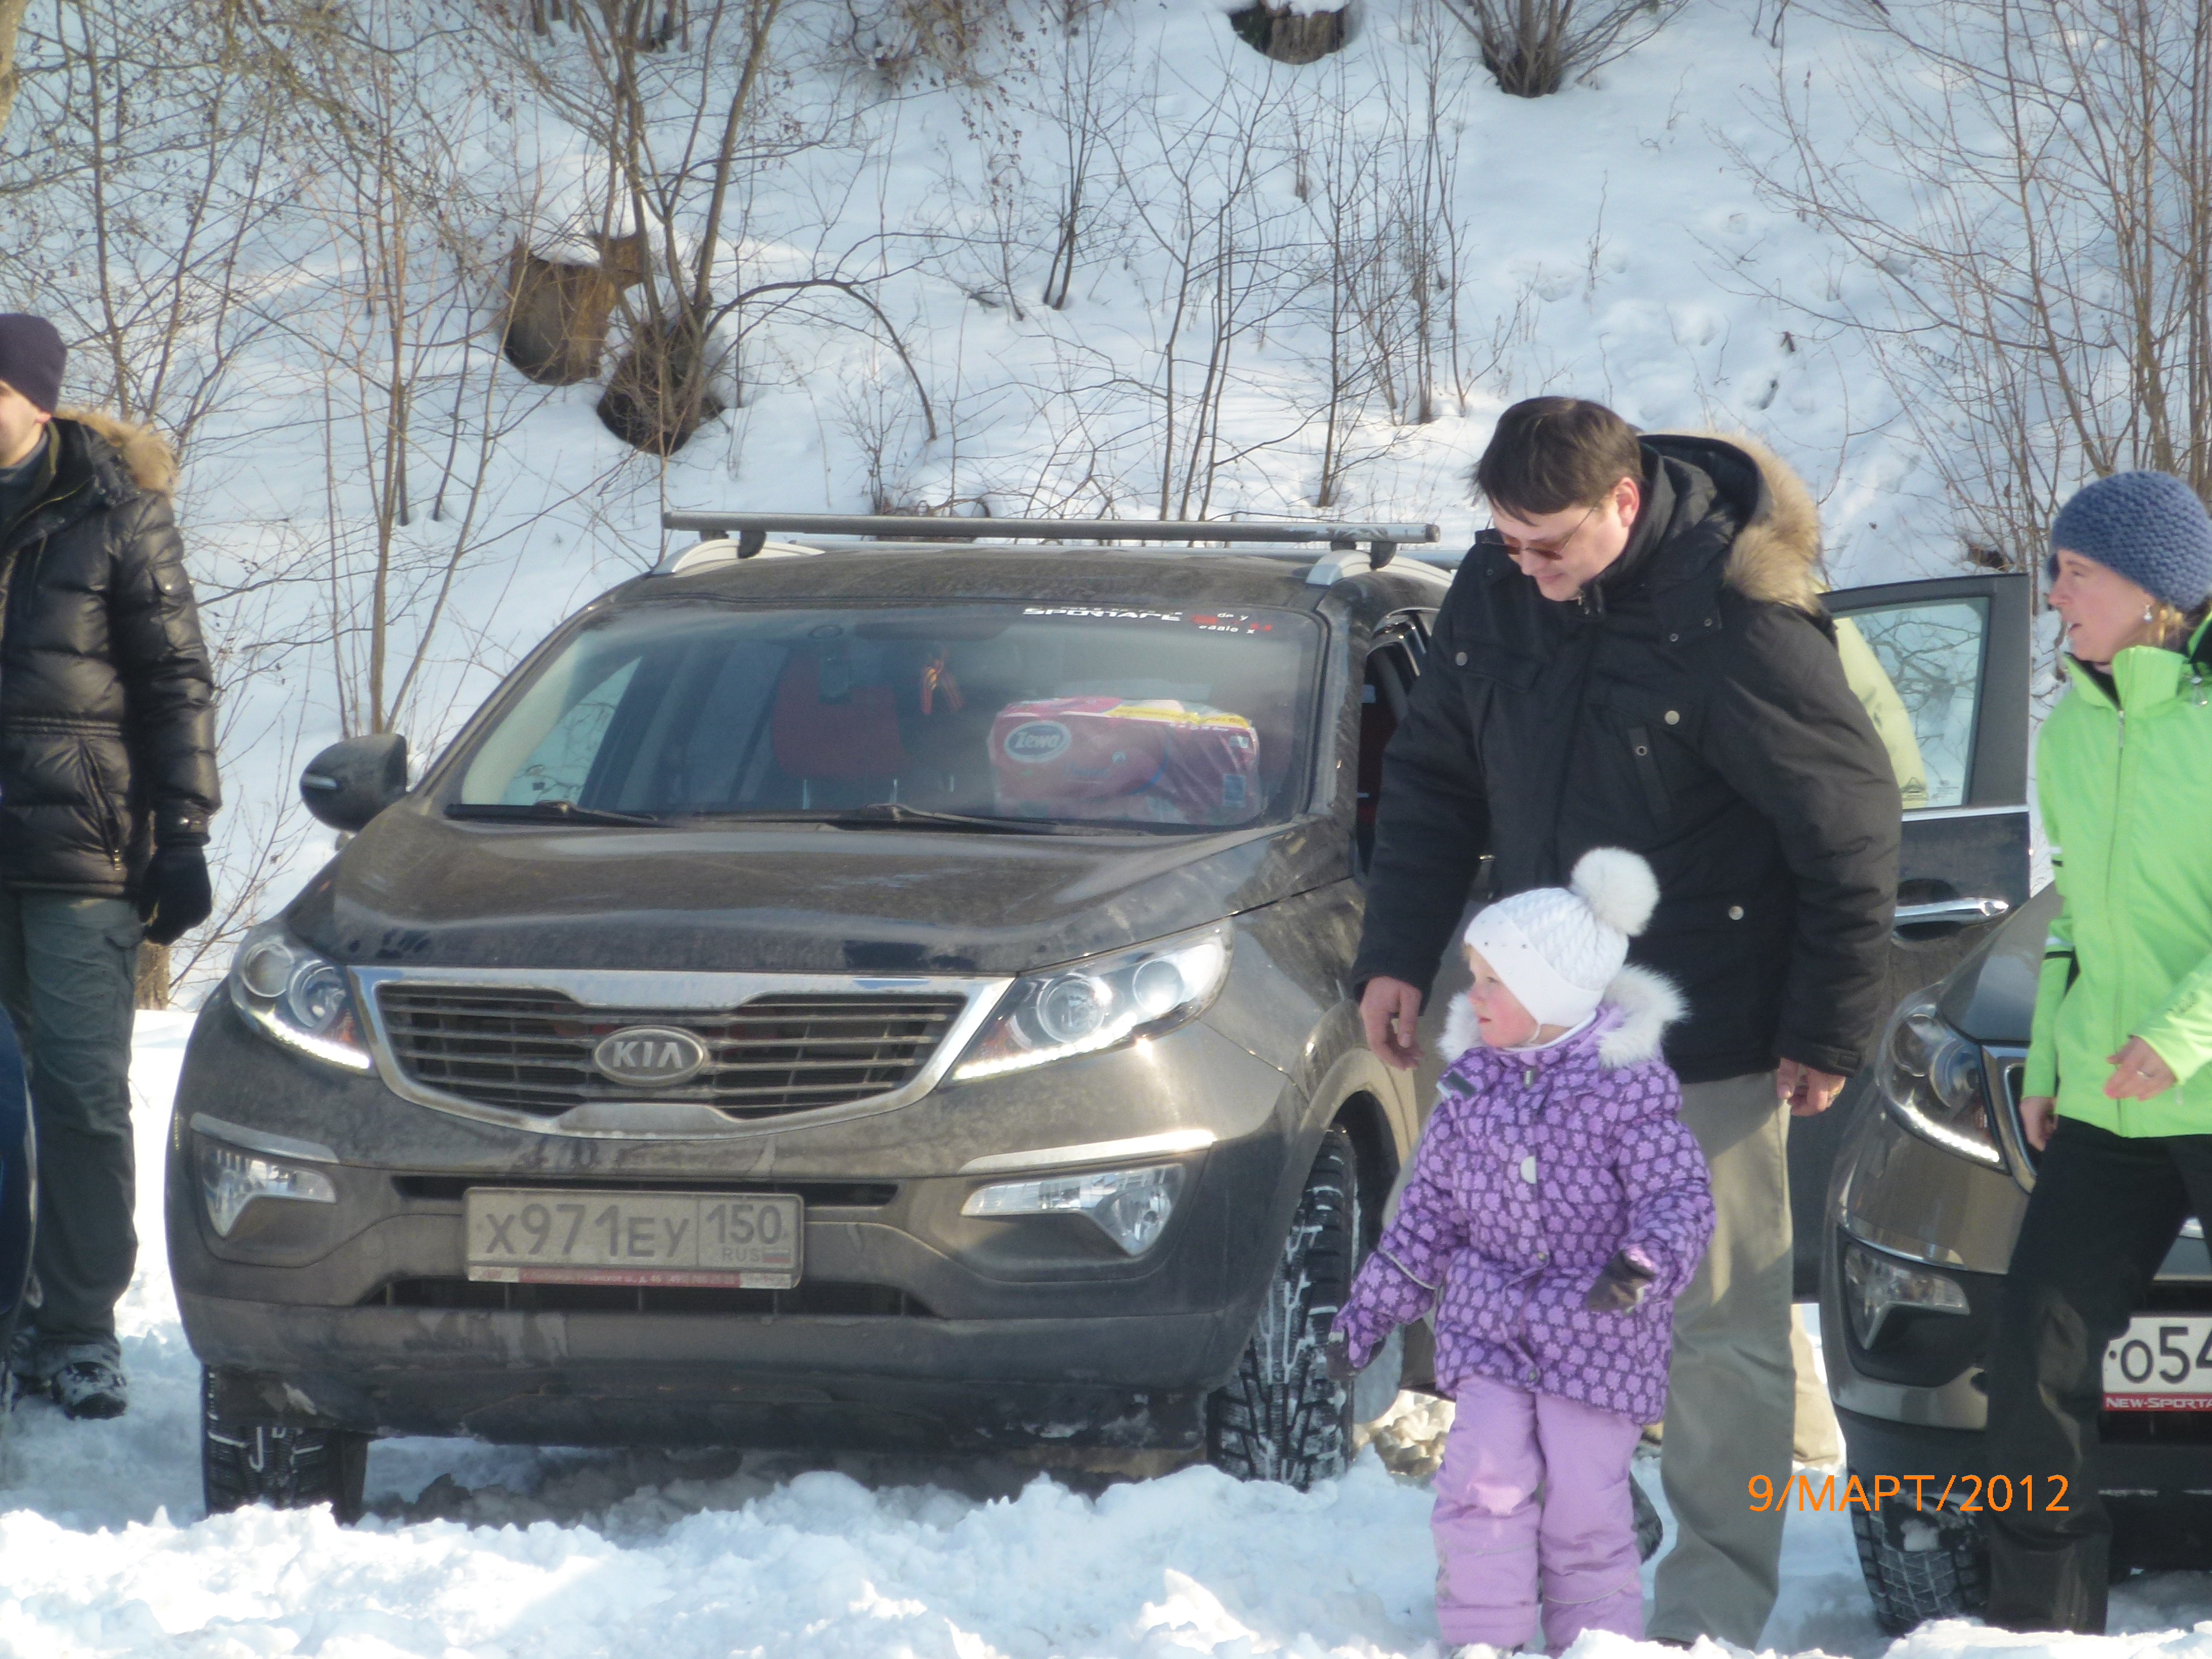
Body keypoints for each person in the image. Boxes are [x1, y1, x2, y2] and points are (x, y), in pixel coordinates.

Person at [1353, 397, 1901, 1647]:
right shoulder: (1495, 594)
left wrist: (1826, 1026)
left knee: (1715, 1329)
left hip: (1701, 1030)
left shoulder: (1737, 616)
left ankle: (1710, 1613)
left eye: (1550, 545)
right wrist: (1396, 955)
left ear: (1624, 501)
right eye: (1508, 543)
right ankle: (1572, 1566)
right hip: (1536, 1040)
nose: (1529, 570)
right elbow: (1435, 777)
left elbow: (1850, 826)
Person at [1328, 849, 1713, 1656]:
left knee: (1585, 1514)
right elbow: (1426, 1218)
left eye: (1492, 981)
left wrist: (1641, 1267)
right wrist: (1365, 1318)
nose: (1472, 995)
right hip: (1491, 1332)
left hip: (1600, 1336)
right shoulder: (1471, 1094)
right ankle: (1485, 1642)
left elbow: (1679, 1198)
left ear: (1554, 992)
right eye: (1475, 976)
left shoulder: (1627, 1093)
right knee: (1483, 1487)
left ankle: (1597, 1645)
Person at [1983, 470, 2212, 1633]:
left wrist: (2178, 1039)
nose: (2056, 596)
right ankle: (2039, 1627)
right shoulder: (2072, 728)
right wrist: (2053, 1063)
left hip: (2198, 1079)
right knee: (2037, 1354)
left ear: (2156, 593)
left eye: (2077, 574)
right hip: (2112, 1103)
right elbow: (2073, 916)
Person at [0, 314, 220, 1419]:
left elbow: (176, 680)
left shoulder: (119, 515)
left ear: (35, 403)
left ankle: (79, 1328)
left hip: (82, 855)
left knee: (81, 1096)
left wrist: (183, 833)